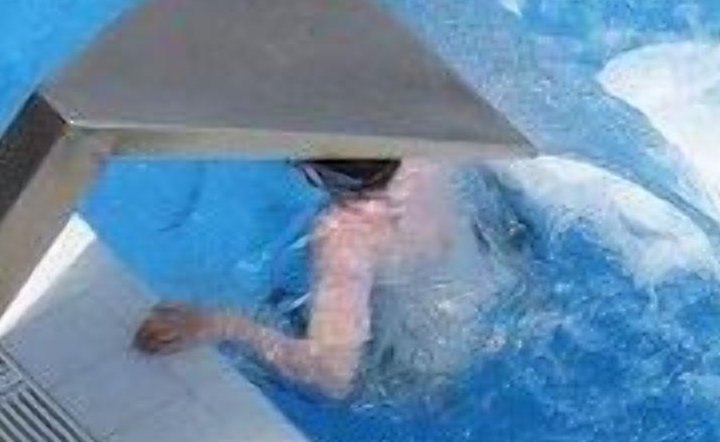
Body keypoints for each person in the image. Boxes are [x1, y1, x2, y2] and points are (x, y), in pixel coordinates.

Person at [132, 156, 521, 399]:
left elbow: (332, 374)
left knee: (279, 310)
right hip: (502, 310)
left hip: (421, 372)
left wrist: (221, 324)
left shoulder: (347, 235)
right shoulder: (427, 153)